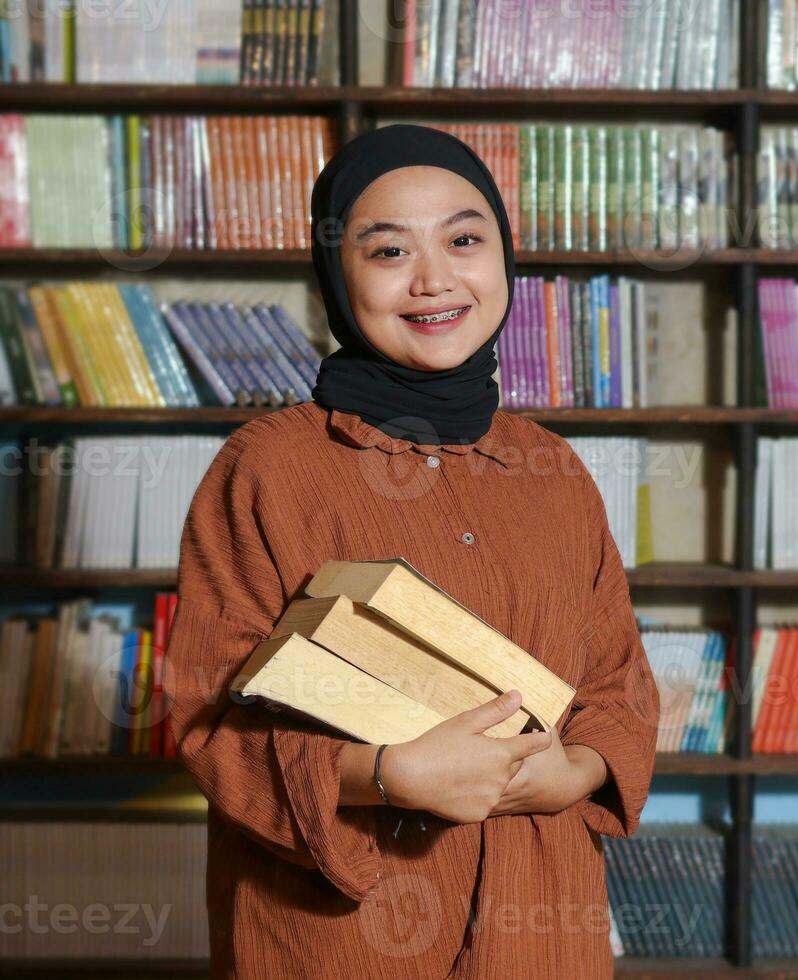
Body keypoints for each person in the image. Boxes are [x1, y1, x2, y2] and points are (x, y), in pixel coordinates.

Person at [164, 124, 659, 979]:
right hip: (336, 936)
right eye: (388, 250)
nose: (435, 279)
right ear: (335, 276)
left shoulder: (554, 468)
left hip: (540, 927)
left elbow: (617, 681)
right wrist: (388, 775)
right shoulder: (268, 468)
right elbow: (209, 717)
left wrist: (574, 773)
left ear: (505, 255)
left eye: (465, 239)